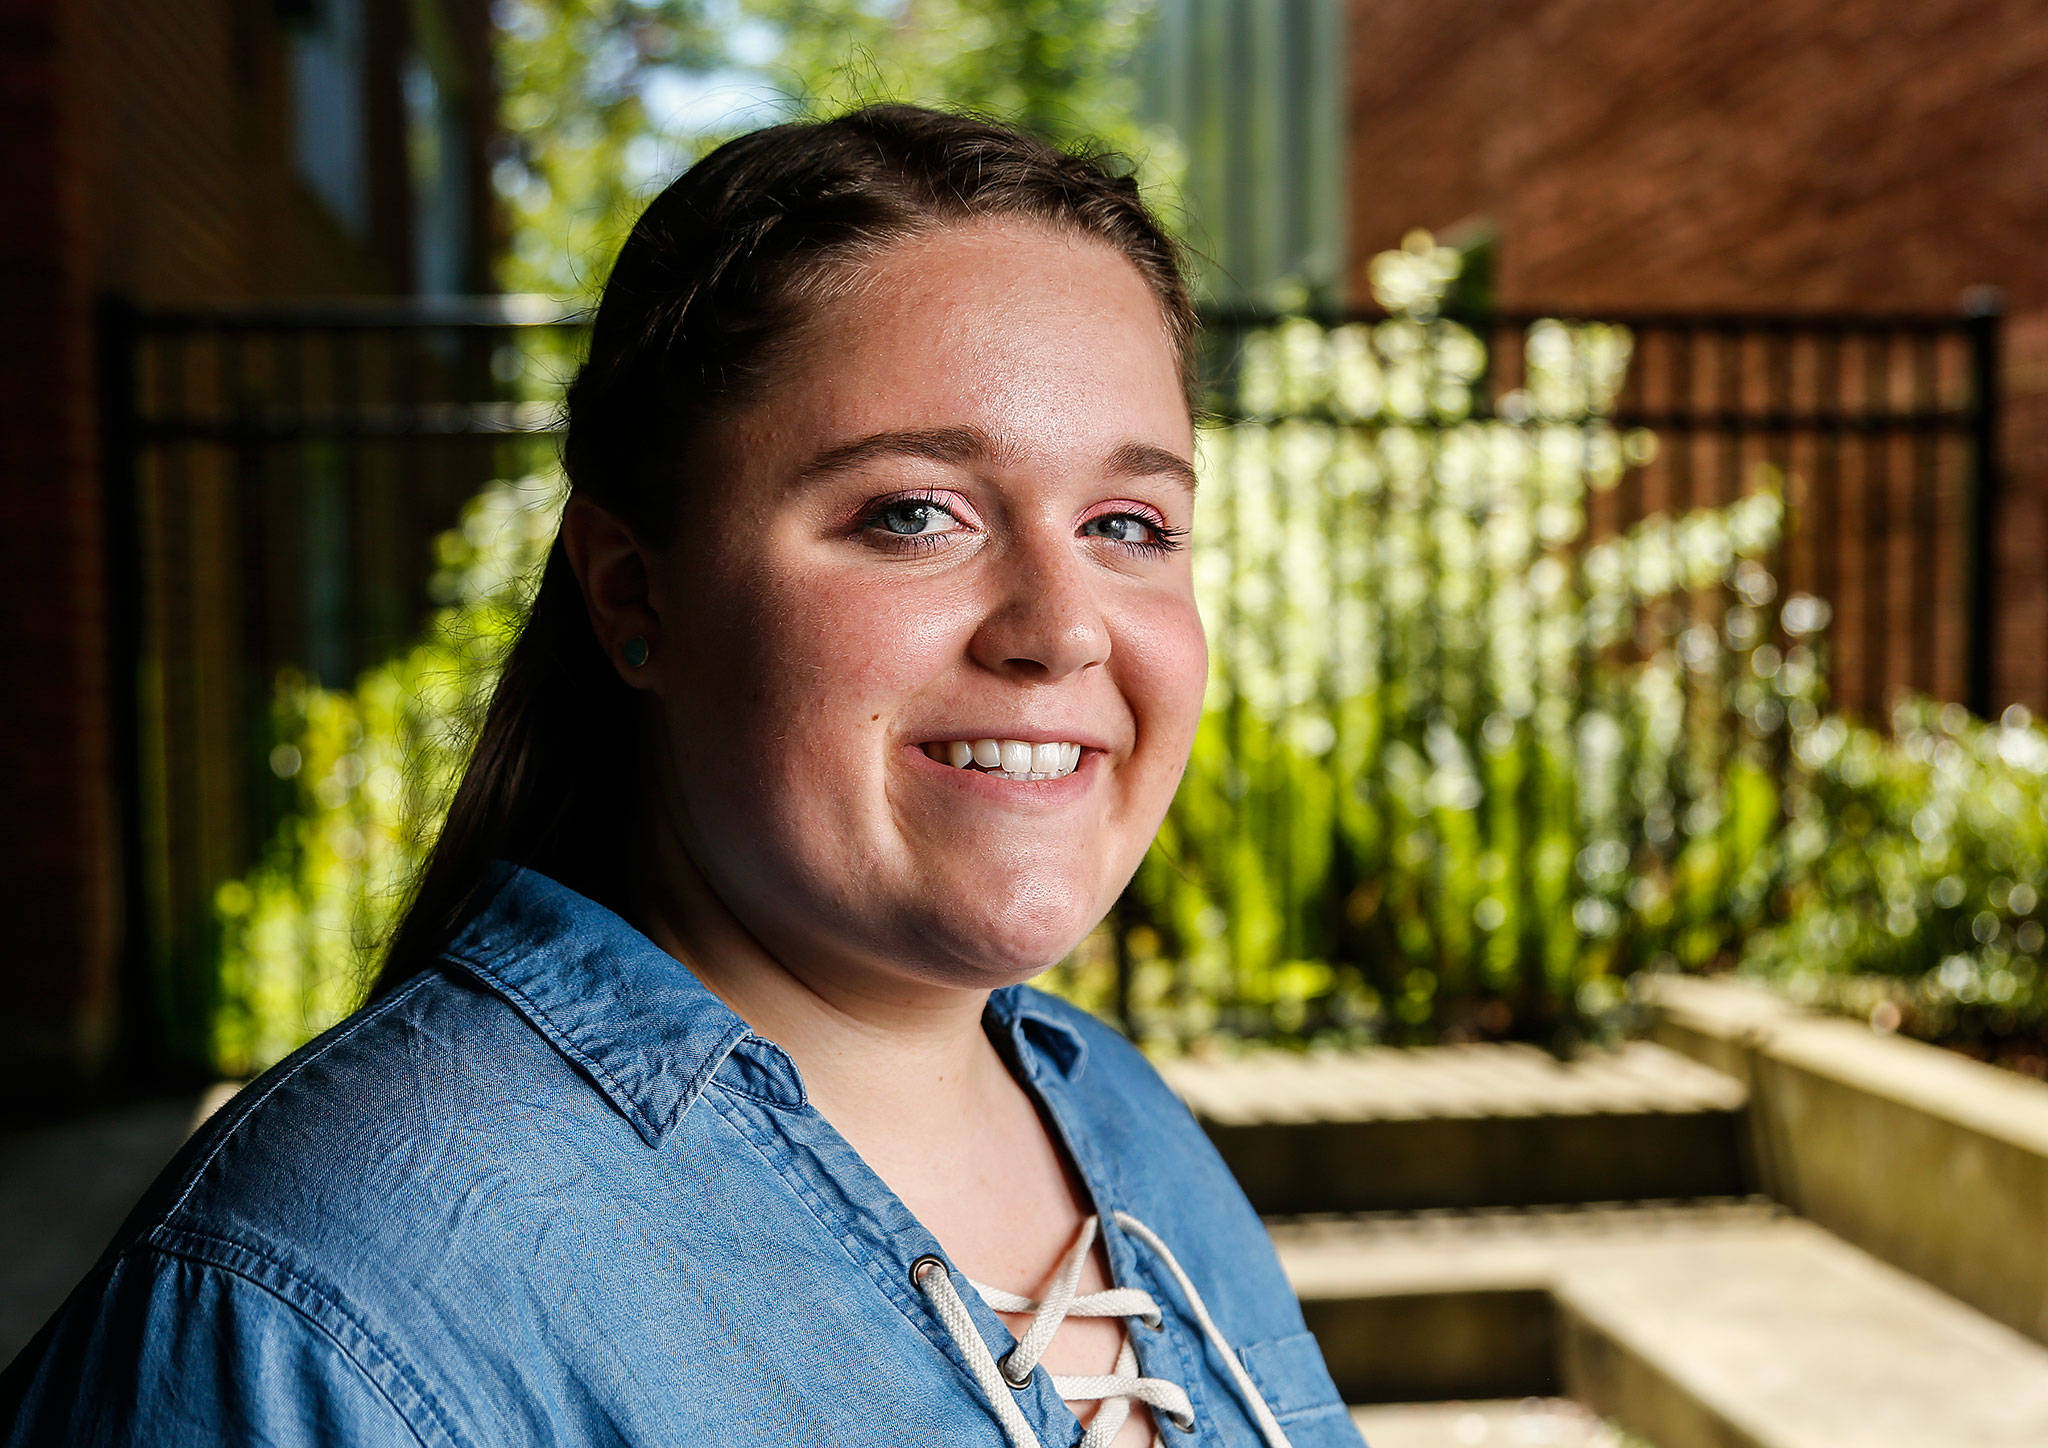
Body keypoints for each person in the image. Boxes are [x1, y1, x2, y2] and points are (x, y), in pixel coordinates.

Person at [1, 103, 1360, 1447]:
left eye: (1129, 524)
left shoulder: (1127, 1124)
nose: (1061, 627)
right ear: (633, 589)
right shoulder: (327, 1297)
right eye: (912, 515)